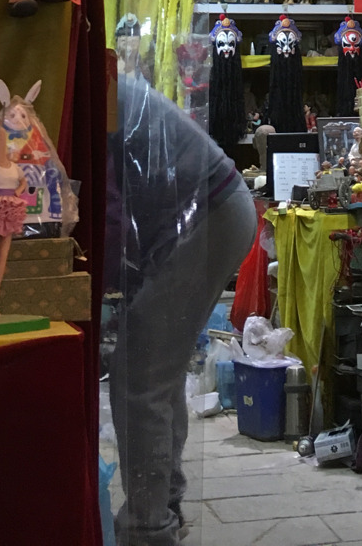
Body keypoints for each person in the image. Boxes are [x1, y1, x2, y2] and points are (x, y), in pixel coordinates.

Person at [109, 45, 257, 546]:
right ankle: (163, 505)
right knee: (156, 367)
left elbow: (111, 218)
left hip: (210, 215)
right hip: (212, 212)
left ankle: (149, 528)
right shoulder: (102, 96)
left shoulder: (94, 103)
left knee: (140, 374)